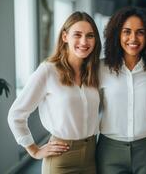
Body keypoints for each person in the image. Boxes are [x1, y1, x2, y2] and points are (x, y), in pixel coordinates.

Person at [8, 11, 101, 174]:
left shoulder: (95, 72)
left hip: (92, 156)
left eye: (90, 36)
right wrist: (34, 150)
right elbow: (16, 114)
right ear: (65, 37)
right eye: (77, 35)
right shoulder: (48, 71)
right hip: (62, 158)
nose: (84, 41)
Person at [96, 6, 146, 174]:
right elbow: (92, 107)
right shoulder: (101, 68)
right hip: (109, 150)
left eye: (140, 32)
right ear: (117, 34)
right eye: (126, 31)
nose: (133, 38)